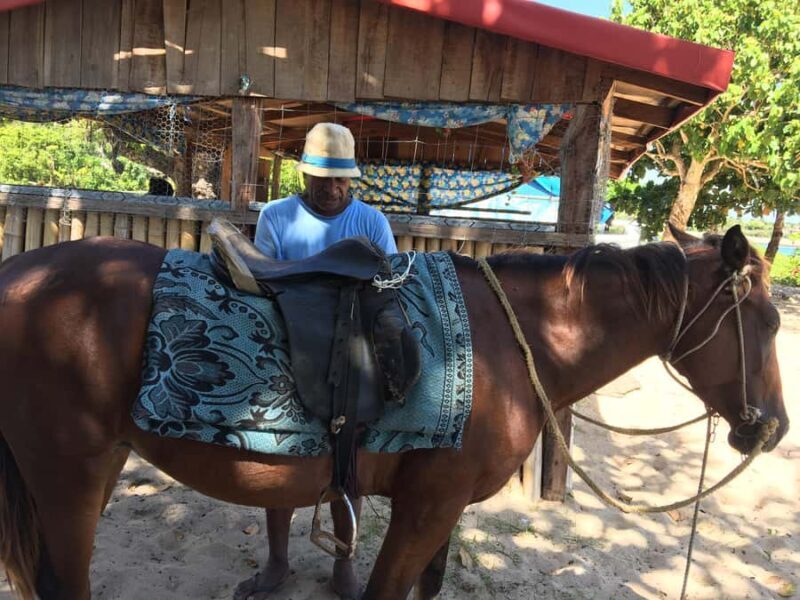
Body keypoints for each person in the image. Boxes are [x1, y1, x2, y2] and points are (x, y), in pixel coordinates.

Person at [238, 122, 396, 600]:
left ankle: (344, 563)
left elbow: (388, 285)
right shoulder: (277, 218)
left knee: (350, 459)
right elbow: (262, 286)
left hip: (354, 353)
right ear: (305, 176)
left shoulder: (371, 222)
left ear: (351, 179)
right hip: (290, 343)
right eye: (322, 179)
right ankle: (279, 560)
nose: (332, 189)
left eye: (340, 179)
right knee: (279, 453)